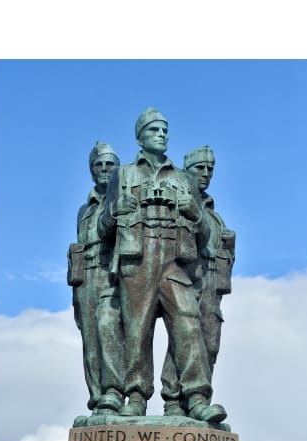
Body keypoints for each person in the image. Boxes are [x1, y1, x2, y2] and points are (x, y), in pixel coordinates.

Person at [99, 108, 226, 422]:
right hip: (137, 261)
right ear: (140, 136)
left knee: (188, 324)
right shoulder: (124, 174)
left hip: (174, 262)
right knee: (137, 331)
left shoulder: (183, 178)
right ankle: (136, 398)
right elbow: (102, 227)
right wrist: (116, 210)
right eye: (155, 130)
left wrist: (194, 211)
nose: (161, 135)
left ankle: (196, 397)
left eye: (165, 131)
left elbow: (206, 233)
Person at [160, 146, 236, 416]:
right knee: (183, 338)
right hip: (184, 279)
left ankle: (193, 404)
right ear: (185, 171)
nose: (205, 174)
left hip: (212, 288)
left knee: (209, 344)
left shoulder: (214, 214)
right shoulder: (177, 203)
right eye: (199, 168)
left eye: (210, 169)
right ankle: (174, 399)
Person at [67, 142, 125, 415]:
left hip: (109, 274)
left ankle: (114, 393)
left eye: (109, 164)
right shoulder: (84, 210)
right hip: (84, 279)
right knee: (90, 341)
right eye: (98, 164)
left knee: (108, 329)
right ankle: (98, 400)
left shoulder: (123, 199)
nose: (103, 169)